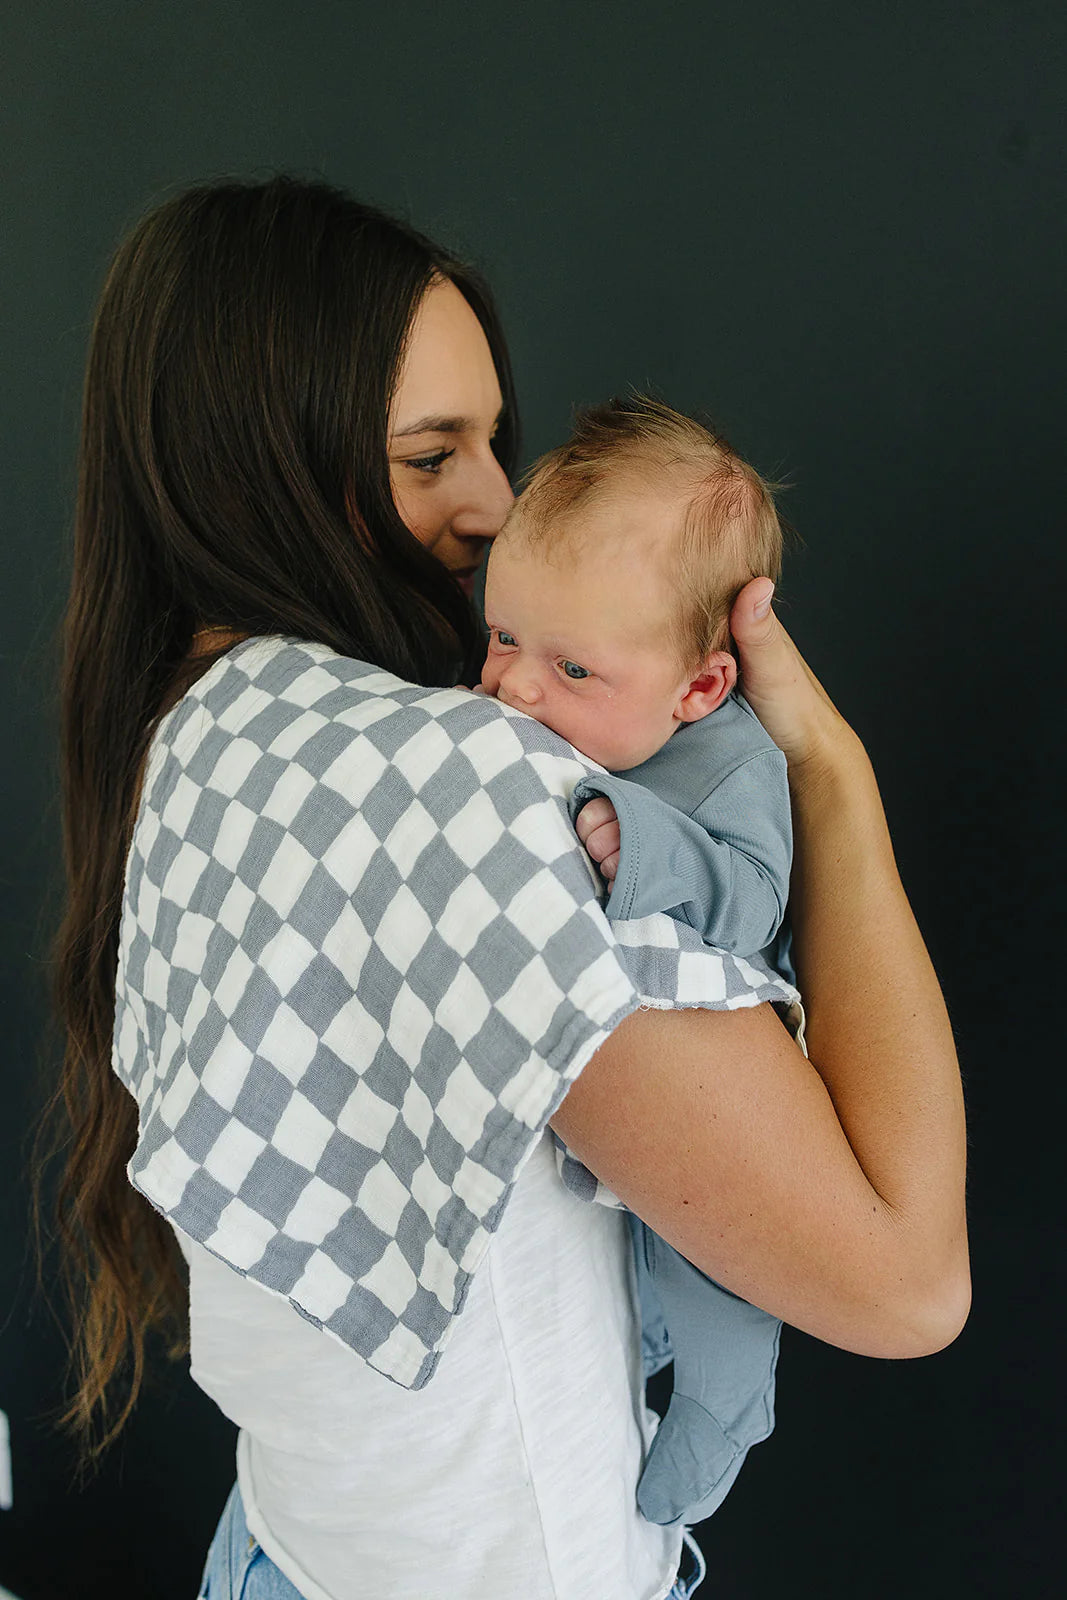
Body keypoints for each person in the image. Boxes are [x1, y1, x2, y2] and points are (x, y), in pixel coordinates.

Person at [43, 176, 970, 1600]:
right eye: (429, 457)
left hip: (280, 1553)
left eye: (494, 441)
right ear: (255, 468)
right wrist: (831, 779)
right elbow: (905, 1285)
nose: (495, 504)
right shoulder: (476, 787)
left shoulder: (197, 733)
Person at [478, 392, 794, 1527]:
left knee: (716, 1275)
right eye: (503, 636)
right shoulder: (546, 716)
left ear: (697, 686)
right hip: (603, 1066)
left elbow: (753, 898)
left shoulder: (728, 763)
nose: (513, 684)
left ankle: (724, 1409)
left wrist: (641, 840)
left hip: (726, 1085)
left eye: (570, 671)